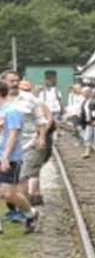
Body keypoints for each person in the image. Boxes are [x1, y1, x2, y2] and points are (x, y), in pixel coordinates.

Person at [0, 81, 39, 235]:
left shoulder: (12, 111)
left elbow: (13, 135)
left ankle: (31, 213)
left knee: (8, 193)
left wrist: (6, 157)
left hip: (10, 157)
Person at [14, 79, 52, 212]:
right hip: (21, 142)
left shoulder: (35, 102)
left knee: (27, 173)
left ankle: (27, 204)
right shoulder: (12, 102)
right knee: (30, 172)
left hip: (32, 141)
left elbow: (47, 120)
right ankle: (33, 198)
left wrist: (41, 136)